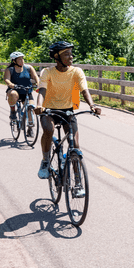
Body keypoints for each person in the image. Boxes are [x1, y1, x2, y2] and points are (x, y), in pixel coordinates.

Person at [34, 41, 101, 179]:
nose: (71, 57)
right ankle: (45, 161)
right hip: (49, 111)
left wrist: (92, 105)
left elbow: (84, 90)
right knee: (48, 130)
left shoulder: (76, 71)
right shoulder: (47, 72)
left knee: (75, 146)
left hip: (68, 111)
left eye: (71, 53)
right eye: (66, 54)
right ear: (56, 57)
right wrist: (39, 106)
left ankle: (77, 181)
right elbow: (42, 91)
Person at [3, 51, 39, 122]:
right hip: (15, 91)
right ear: (14, 61)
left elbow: (35, 77)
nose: (22, 61)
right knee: (13, 93)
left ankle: (30, 128)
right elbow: (6, 79)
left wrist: (38, 83)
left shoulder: (28, 67)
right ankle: (13, 112)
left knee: (31, 109)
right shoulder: (10, 69)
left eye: (22, 58)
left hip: (26, 92)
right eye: (19, 59)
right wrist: (11, 85)